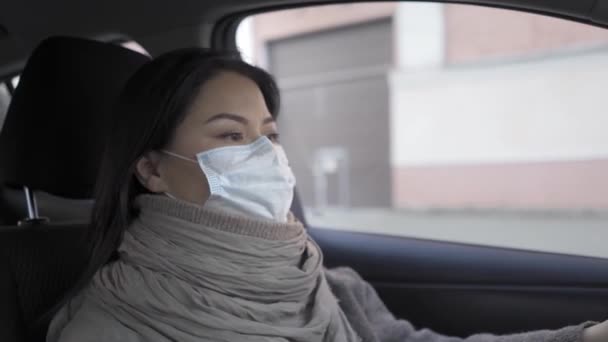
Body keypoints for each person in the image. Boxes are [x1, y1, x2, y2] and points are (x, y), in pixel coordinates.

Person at [47, 48, 607, 342]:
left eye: (269, 135)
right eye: (230, 135)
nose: (265, 155)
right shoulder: (110, 327)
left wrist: (581, 338)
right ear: (152, 169)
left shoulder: (323, 282)